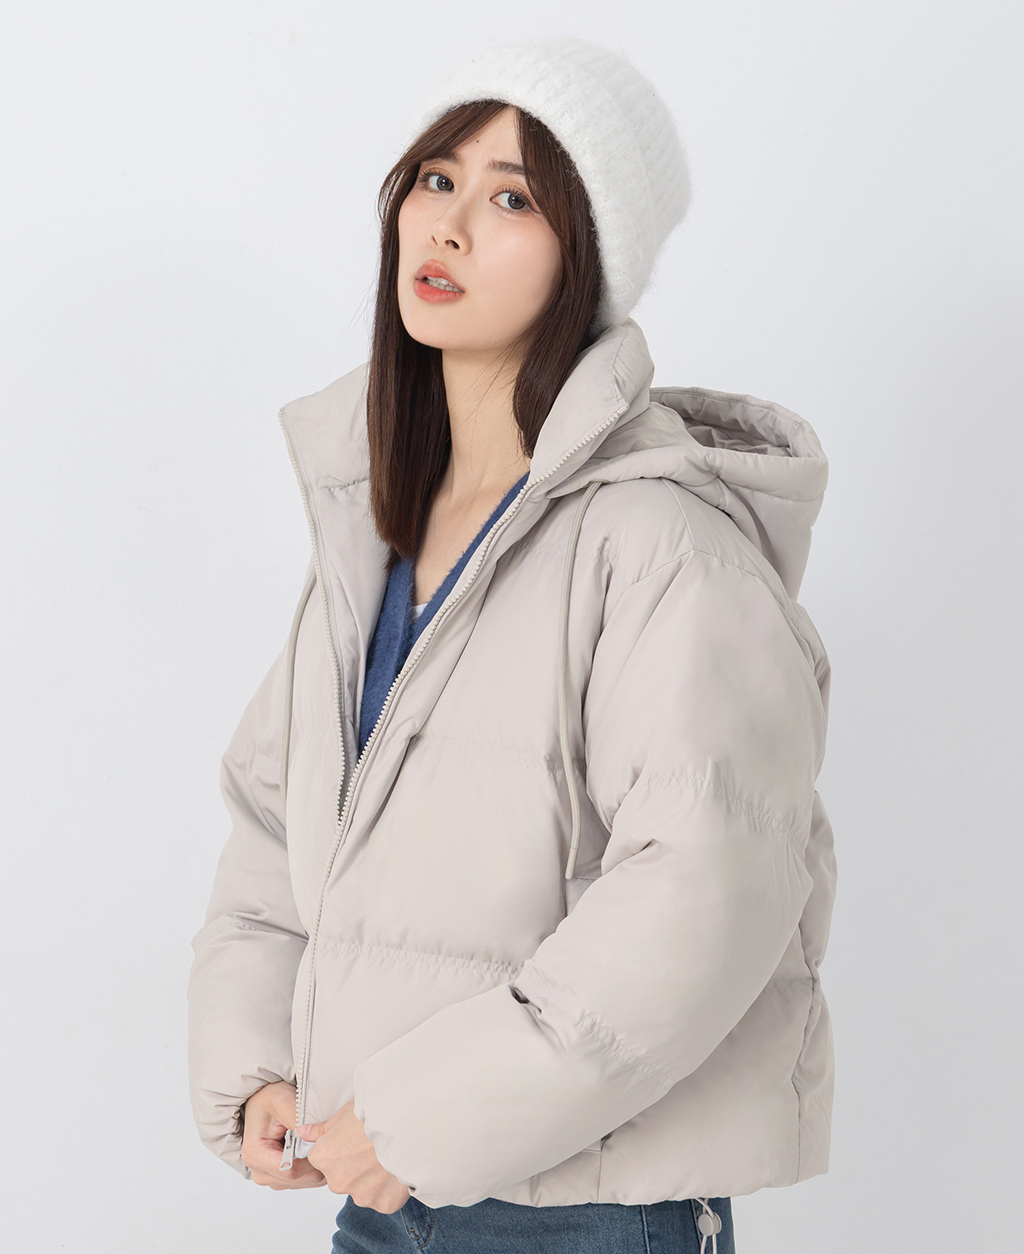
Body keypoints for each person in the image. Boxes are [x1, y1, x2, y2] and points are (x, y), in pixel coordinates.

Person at [187, 35, 836, 1254]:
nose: (447, 225)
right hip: (386, 1197)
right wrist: (259, 1062)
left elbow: (704, 891)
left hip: (588, 1211)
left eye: (512, 199)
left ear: (587, 258)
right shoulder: (376, 533)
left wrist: (420, 1120)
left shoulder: (659, 537)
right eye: (436, 180)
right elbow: (279, 828)